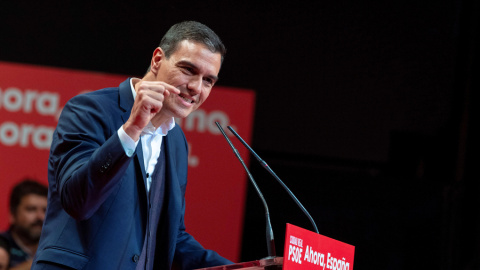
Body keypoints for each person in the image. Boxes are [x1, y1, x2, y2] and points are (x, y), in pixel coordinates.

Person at [31, 21, 233, 270]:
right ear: (158, 59)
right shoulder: (89, 110)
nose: (196, 87)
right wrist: (131, 130)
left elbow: (173, 238)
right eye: (188, 69)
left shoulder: (177, 142)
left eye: (208, 80)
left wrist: (243, 268)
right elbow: (77, 200)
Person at [0, 180, 48, 270]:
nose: (40, 217)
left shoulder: (54, 246)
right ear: (12, 214)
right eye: (31, 209)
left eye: (45, 210)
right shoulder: (2, 246)